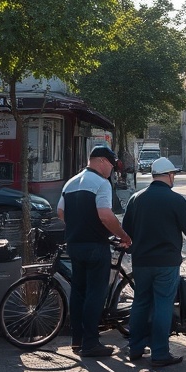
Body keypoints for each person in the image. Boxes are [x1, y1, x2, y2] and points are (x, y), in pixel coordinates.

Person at [122, 156, 186, 367]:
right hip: (166, 263)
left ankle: (135, 348)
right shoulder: (175, 200)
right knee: (163, 305)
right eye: (173, 174)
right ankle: (160, 353)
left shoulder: (136, 199)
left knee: (140, 302)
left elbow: (126, 230)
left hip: (141, 262)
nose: (173, 178)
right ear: (169, 175)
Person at [57, 144, 132, 358]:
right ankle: (91, 343)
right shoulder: (101, 183)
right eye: (110, 164)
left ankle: (77, 340)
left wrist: (79, 224)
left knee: (78, 291)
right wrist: (123, 236)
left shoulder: (70, 183)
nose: (111, 170)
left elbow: (60, 212)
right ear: (100, 161)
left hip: (74, 245)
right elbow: (105, 215)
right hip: (95, 246)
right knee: (95, 294)